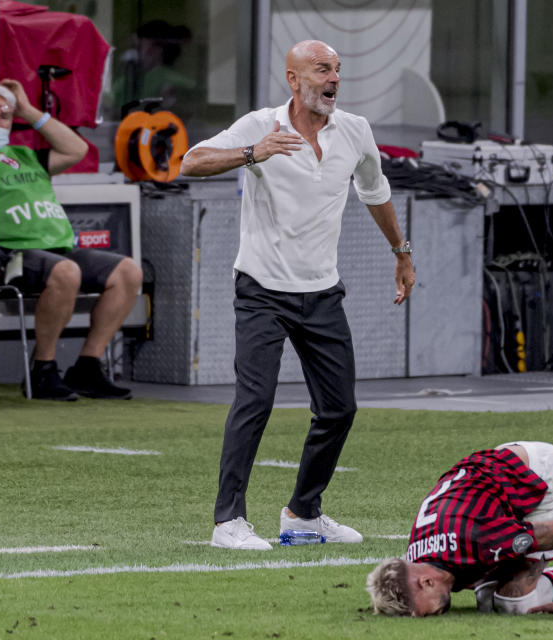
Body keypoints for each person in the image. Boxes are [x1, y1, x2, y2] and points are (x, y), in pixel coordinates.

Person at [181, 40, 415, 550]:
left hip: (322, 293)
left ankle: (303, 514)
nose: (332, 79)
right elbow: (189, 163)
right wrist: (252, 153)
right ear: (293, 78)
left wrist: (401, 252)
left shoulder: (355, 131)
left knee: (339, 408)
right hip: (262, 290)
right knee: (255, 399)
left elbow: (374, 191)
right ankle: (228, 522)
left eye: (337, 70)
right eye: (321, 69)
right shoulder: (260, 125)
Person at [0, 79, 143, 401]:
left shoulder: (25, 156)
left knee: (128, 272)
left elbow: (77, 149)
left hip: (58, 250)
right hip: (9, 253)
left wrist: (28, 110)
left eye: (6, 115)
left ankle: (87, 367)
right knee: (66, 272)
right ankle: (43, 370)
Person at [366, 442, 553, 616]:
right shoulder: (420, 554)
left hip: (548, 478)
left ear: (425, 583)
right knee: (486, 598)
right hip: (502, 472)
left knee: (515, 601)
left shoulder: (480, 539)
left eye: (420, 611)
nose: (425, 616)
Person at [113, 20, 196, 120]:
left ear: (157, 50)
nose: (133, 53)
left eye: (138, 47)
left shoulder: (175, 83)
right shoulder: (127, 80)